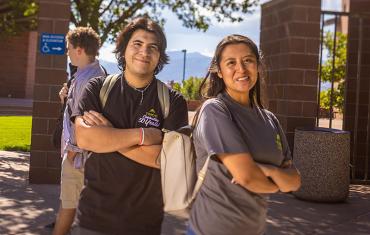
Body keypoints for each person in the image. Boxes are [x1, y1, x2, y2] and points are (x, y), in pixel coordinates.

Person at [70, 17, 188, 235]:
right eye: (137, 44)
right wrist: (144, 135)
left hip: (145, 222)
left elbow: (168, 160)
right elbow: (85, 139)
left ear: (159, 56)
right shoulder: (98, 88)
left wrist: (108, 136)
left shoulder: (173, 101)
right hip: (94, 219)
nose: (145, 52)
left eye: (153, 47)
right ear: (123, 49)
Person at [187, 34, 301, 235]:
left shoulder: (270, 120)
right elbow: (247, 177)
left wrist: (271, 172)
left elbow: (295, 181)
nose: (241, 69)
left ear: (257, 66)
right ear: (219, 72)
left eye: (248, 60)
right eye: (231, 62)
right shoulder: (215, 110)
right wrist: (277, 185)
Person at [53, 27, 106, 235]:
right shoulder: (92, 73)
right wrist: (64, 99)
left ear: (79, 50)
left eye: (69, 48)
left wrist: (72, 152)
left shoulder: (86, 80)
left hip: (78, 157)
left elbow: (83, 121)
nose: (67, 52)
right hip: (86, 156)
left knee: (67, 208)